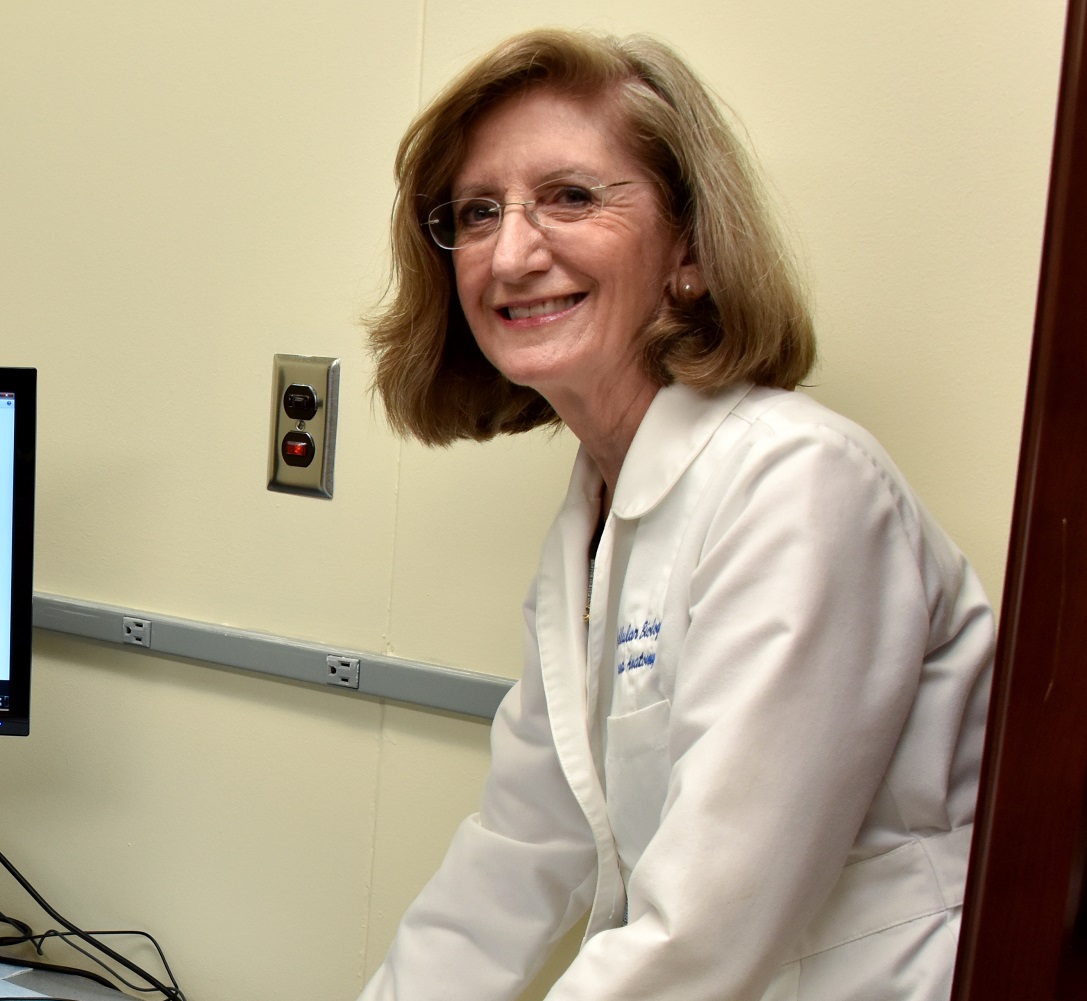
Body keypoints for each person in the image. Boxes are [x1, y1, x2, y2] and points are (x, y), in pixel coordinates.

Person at [358, 29, 994, 1001]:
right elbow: (518, 850)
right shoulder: (594, 517)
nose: (510, 253)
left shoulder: (798, 483)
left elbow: (701, 932)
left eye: (570, 196)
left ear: (689, 250)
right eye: (477, 212)